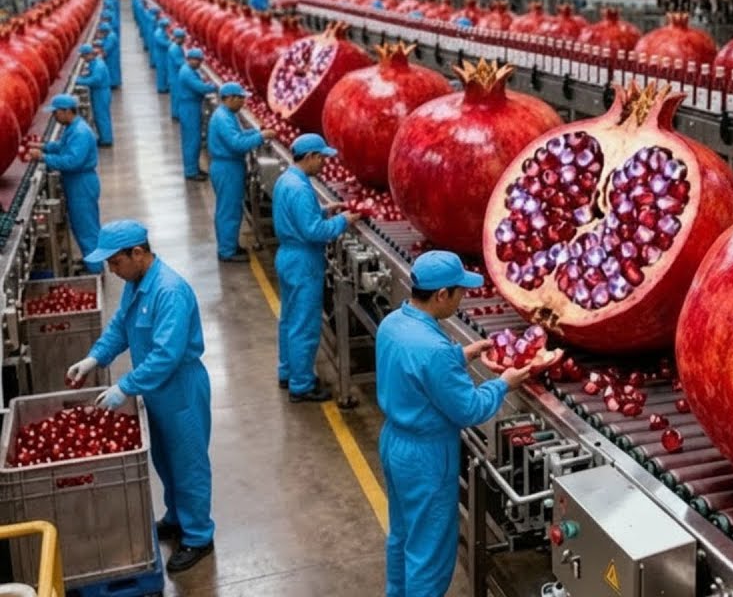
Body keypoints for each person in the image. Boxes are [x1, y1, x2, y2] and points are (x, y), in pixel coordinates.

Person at [377, 251, 548, 597]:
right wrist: (504, 383)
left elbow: (416, 368)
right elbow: (469, 409)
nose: (462, 298)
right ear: (442, 295)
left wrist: (462, 354)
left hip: (394, 442)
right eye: (459, 292)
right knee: (430, 552)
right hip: (427, 457)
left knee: (403, 534)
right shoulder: (434, 349)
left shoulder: (393, 323)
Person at [65, 221, 215, 573]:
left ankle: (198, 536)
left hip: (181, 389)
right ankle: (177, 518)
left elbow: (167, 354)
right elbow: (120, 328)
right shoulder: (137, 285)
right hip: (155, 389)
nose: (112, 271)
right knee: (164, 459)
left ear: (138, 253)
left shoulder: (169, 291)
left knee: (188, 465)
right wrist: (95, 357)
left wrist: (125, 387)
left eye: (115, 263)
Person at [273, 134, 360, 402]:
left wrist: (324, 209)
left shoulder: (288, 179)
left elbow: (300, 217)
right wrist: (342, 221)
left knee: (289, 320)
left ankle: (288, 371)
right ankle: (302, 385)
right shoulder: (300, 188)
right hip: (303, 261)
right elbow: (313, 231)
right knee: (305, 325)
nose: (323, 162)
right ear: (309, 156)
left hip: (288, 256)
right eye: (321, 157)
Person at [29, 94, 101, 274]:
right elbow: (62, 146)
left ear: (67, 111)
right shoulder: (72, 128)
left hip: (82, 184)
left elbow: (72, 161)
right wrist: (43, 146)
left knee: (87, 229)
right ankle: (90, 261)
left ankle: (95, 269)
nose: (54, 116)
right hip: (75, 183)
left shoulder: (81, 133)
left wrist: (44, 158)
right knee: (80, 227)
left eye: (56, 113)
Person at [207, 82, 274, 262]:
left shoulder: (227, 114)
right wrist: (261, 137)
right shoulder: (223, 118)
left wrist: (255, 132)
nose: (243, 102)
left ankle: (229, 245)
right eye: (240, 98)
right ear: (229, 98)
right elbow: (236, 144)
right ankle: (227, 251)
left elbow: (239, 135)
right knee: (228, 210)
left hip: (229, 166)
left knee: (231, 208)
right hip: (227, 168)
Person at [174, 49, 217, 181]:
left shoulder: (190, 70)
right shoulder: (187, 72)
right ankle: (191, 171)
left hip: (191, 106)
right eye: (197, 60)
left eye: (200, 61)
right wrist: (216, 87)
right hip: (189, 108)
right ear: (190, 59)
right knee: (192, 141)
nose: (200, 63)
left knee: (195, 140)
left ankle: (194, 167)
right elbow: (200, 88)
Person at [75, 44, 113, 147]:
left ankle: (106, 140)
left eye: (84, 56)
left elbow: (95, 80)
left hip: (101, 93)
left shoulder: (98, 65)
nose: (84, 59)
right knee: (100, 116)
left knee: (102, 117)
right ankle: (104, 137)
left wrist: (80, 81)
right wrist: (86, 76)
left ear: (89, 54)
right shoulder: (95, 63)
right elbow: (93, 76)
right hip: (99, 92)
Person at [167, 29, 189, 121]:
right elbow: (179, 62)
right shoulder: (175, 48)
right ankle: (176, 115)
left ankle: (176, 113)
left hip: (175, 75)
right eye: (183, 38)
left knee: (176, 96)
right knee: (177, 96)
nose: (184, 40)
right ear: (178, 38)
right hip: (175, 77)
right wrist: (189, 63)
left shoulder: (176, 46)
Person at [96, 22, 122, 90]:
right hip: (112, 57)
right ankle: (114, 82)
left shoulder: (110, 37)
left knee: (112, 70)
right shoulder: (110, 35)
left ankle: (113, 84)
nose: (101, 33)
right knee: (113, 70)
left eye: (102, 32)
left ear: (105, 31)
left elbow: (106, 49)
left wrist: (98, 57)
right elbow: (104, 43)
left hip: (111, 58)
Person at [152, 18, 173, 94]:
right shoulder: (159, 33)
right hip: (161, 55)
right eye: (167, 25)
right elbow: (164, 43)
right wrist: (171, 42)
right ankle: (162, 88)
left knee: (164, 71)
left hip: (163, 55)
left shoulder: (162, 31)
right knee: (162, 72)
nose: (168, 27)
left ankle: (165, 87)